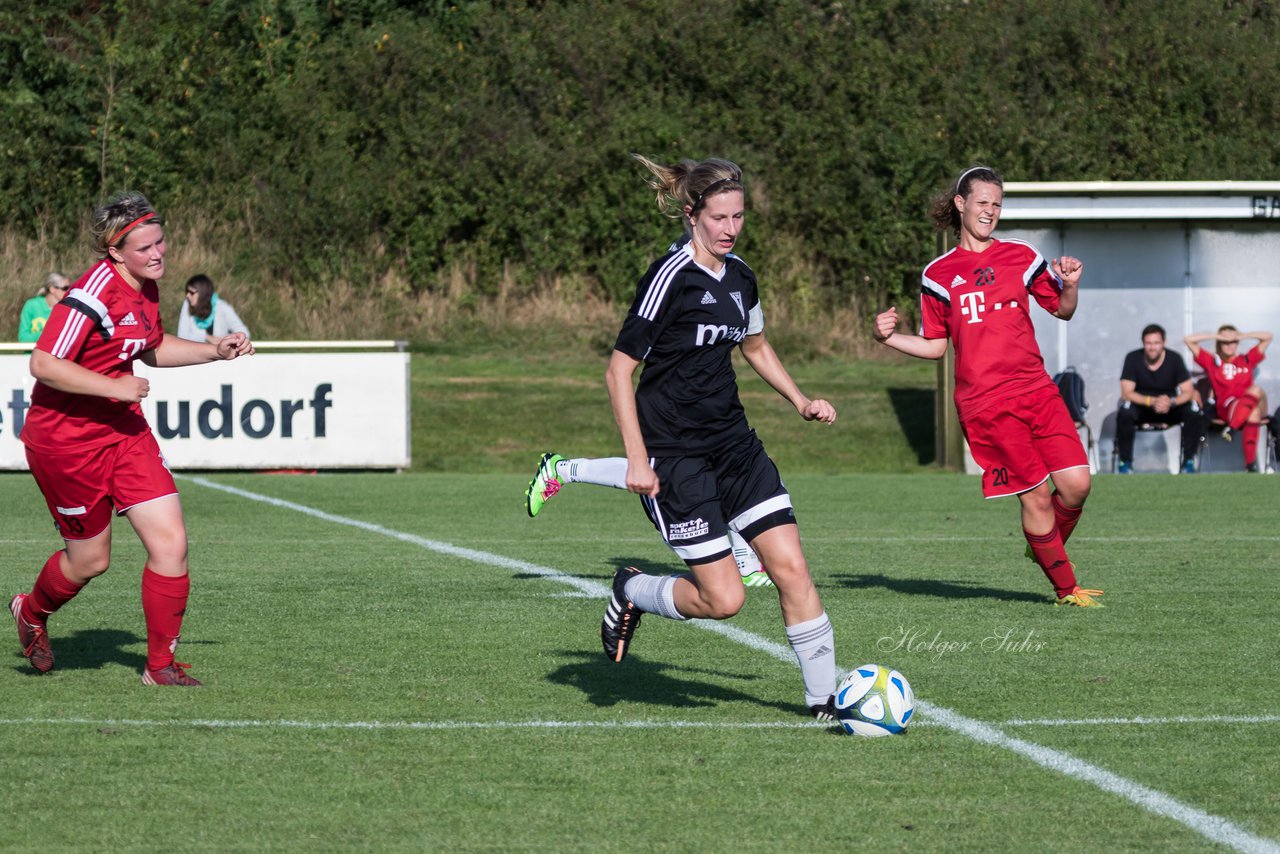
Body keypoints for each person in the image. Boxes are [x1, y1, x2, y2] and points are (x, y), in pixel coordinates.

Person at [599, 154, 840, 720]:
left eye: (739, 217)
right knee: (724, 600)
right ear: (691, 216)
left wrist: (800, 398)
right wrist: (639, 459)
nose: (731, 228)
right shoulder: (669, 278)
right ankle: (631, 591)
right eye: (720, 218)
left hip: (735, 448)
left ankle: (824, 702)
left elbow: (753, 345)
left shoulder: (741, 276)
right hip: (677, 458)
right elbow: (617, 370)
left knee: (792, 568)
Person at [9, 191, 255, 685]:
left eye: (160, 241)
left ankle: (159, 667)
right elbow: (43, 364)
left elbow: (153, 346)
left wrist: (215, 349)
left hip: (123, 433)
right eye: (144, 248)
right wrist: (113, 386)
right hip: (65, 442)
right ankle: (31, 612)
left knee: (171, 542)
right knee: (91, 561)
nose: (158, 253)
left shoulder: (145, 285)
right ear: (115, 252)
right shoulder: (89, 295)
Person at [873, 165, 1102, 607]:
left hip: (1037, 389)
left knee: (1077, 485)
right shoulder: (938, 274)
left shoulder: (1022, 255)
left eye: (997, 204)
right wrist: (887, 338)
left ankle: (1043, 548)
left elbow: (1063, 310)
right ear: (961, 205)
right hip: (986, 404)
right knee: (1036, 497)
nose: (991, 211)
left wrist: (1071, 287)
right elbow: (936, 347)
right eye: (983, 202)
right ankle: (1067, 589)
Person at [524, 452, 774, 586]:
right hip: (674, 404)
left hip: (705, 403)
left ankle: (745, 565)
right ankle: (564, 470)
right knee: (656, 474)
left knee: (741, 468)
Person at [1116, 323, 1206, 474]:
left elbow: (1188, 391)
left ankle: (1188, 462)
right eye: (1148, 343)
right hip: (1143, 407)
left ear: (1164, 342)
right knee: (1125, 411)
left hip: (1169, 407)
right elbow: (1127, 392)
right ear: (1143, 343)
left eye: (1156, 343)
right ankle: (1125, 463)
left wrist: (1171, 402)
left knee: (1193, 409)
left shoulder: (1174, 359)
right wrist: (1151, 401)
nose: (1152, 347)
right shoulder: (1132, 358)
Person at [1184, 325, 1273, 472]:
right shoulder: (1212, 362)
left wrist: (1241, 335)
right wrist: (1217, 336)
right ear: (1219, 343)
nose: (1229, 344)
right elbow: (1188, 340)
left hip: (1251, 401)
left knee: (1256, 391)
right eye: (1225, 341)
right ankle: (1251, 466)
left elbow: (1268, 336)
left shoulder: (1246, 359)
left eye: (1233, 341)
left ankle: (1231, 430)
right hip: (1227, 409)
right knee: (1254, 413)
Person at [177, 273, 250, 343]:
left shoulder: (222, 307)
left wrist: (226, 340)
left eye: (192, 293)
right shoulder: (186, 305)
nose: (187, 295)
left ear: (203, 293)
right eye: (187, 292)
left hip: (219, 356)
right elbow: (182, 337)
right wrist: (207, 337)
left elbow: (244, 333)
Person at [17, 273, 70, 342]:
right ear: (52, 289)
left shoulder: (67, 309)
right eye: (65, 288)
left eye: (70, 288)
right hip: (32, 352)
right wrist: (48, 333)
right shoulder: (31, 305)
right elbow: (23, 338)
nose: (69, 291)